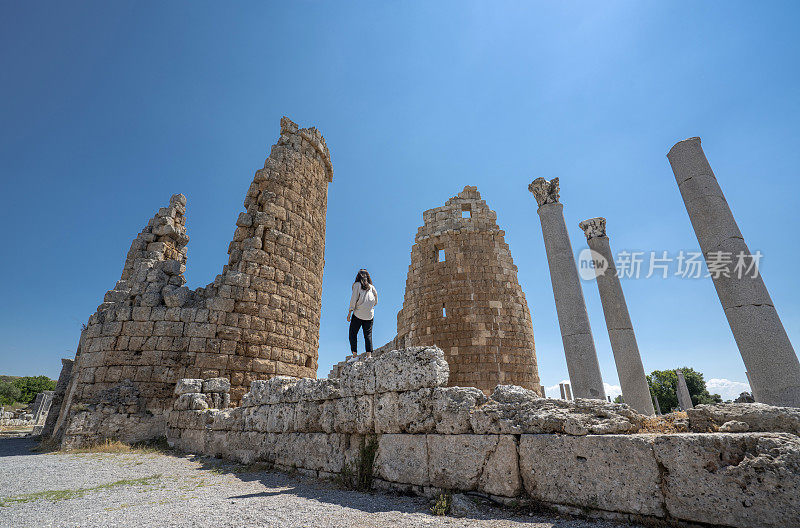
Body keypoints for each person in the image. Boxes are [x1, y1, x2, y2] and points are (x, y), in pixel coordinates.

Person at [347, 269, 378, 358]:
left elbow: (353, 299)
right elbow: (376, 300)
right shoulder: (372, 287)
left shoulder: (357, 285)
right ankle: (369, 356)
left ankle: (354, 355)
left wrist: (350, 312)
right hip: (369, 315)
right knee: (368, 335)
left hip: (358, 314)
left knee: (352, 333)